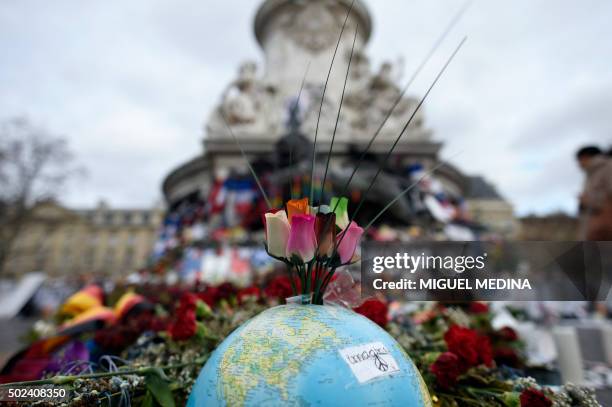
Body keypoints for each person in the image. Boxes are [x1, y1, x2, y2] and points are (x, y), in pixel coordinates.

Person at [576, 145, 612, 240]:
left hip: (603, 228)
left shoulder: (608, 167)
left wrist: (591, 202)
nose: (578, 164)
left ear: (585, 157)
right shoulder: (592, 173)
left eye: (579, 160)